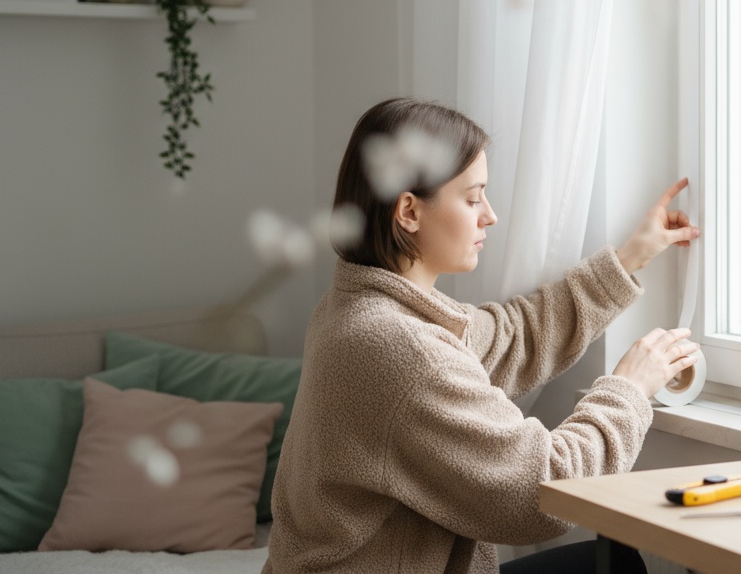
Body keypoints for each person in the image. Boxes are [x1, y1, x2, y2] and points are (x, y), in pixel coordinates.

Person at [263, 98, 700, 574]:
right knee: (616, 566)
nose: (489, 215)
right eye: (473, 199)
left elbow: (513, 337)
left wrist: (630, 257)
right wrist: (628, 389)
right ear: (409, 210)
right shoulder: (398, 347)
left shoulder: (358, 306)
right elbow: (545, 490)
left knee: (614, 562)